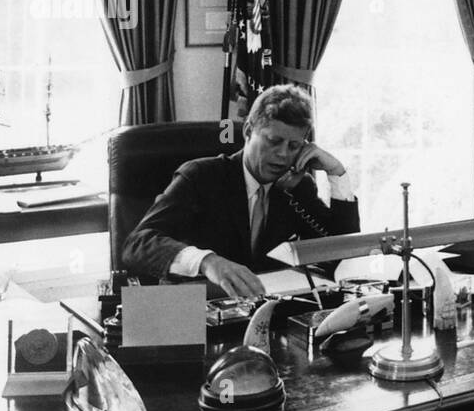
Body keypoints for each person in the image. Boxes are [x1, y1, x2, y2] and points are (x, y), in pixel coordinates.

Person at [121, 84, 360, 297]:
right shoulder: (201, 176)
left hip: (264, 313)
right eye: (273, 141)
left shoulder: (296, 186)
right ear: (248, 131)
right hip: (195, 310)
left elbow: (340, 253)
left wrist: (337, 174)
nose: (283, 154)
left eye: (294, 146)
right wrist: (207, 261)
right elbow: (137, 244)